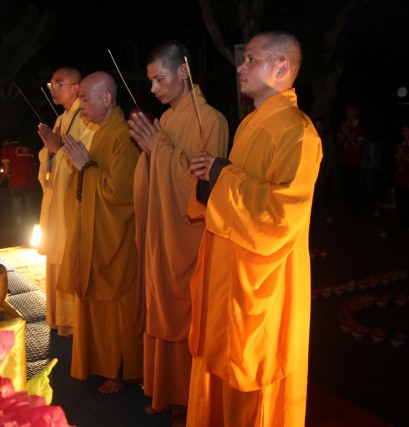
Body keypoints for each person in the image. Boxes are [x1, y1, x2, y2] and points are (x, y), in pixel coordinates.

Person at [187, 31, 322, 426]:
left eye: (251, 59)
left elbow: (281, 217)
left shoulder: (298, 132)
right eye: (243, 60)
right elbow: (233, 190)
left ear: (282, 67)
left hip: (263, 283)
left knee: (254, 386)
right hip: (228, 274)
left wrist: (222, 174)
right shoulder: (249, 124)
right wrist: (210, 178)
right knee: (219, 368)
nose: (240, 67)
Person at [127, 40, 229, 425]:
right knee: (161, 309)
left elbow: (203, 189)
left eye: (160, 79)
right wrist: (149, 153)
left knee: (187, 317)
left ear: (183, 71)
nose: (153, 89)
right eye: (150, 82)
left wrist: (160, 151)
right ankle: (165, 392)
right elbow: (152, 177)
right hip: (162, 235)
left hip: (189, 238)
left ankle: (190, 400)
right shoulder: (168, 121)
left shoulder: (211, 121)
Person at [57, 71, 142, 394]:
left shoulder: (123, 136)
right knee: (94, 301)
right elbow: (90, 177)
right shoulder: (104, 131)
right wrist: (83, 167)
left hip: (115, 236)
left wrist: (86, 167)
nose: (81, 107)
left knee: (116, 306)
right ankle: (101, 361)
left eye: (86, 99)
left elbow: (120, 192)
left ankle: (120, 369)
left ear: (107, 98)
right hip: (95, 229)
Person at [37, 66, 97, 337]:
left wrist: (57, 151)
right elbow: (52, 159)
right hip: (56, 202)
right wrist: (51, 153)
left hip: (71, 204)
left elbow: (85, 160)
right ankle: (59, 318)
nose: (53, 89)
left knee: (68, 256)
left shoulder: (85, 120)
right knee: (56, 256)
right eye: (51, 84)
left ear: (76, 88)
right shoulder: (61, 119)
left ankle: (74, 322)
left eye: (59, 83)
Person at [0, 133, 39, 238]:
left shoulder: (7, 148)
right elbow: (35, 168)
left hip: (16, 184)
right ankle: (32, 236)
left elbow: (6, 170)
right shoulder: (28, 149)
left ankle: (20, 237)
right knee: (31, 212)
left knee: (18, 213)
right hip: (31, 184)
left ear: (6, 141)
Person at [336, 104, 365, 217]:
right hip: (343, 162)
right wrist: (344, 132)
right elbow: (338, 144)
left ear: (356, 112)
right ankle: (347, 210)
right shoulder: (344, 125)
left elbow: (357, 147)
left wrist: (347, 133)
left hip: (354, 163)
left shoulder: (359, 127)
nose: (348, 113)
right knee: (344, 187)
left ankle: (354, 211)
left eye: (351, 111)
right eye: (347, 111)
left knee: (353, 187)